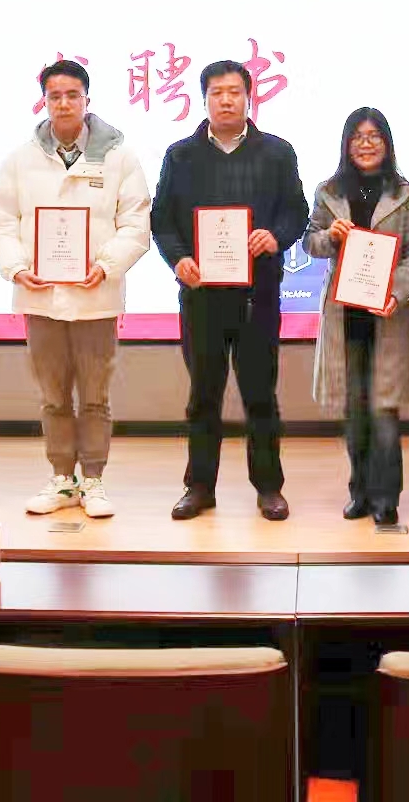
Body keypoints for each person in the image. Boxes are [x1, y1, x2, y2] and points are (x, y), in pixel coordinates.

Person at [0, 60, 153, 519]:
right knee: (54, 397)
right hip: (40, 297)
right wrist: (16, 268)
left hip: (96, 297)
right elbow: (1, 222)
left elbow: (136, 222)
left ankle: (93, 480)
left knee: (95, 397)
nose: (63, 104)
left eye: (72, 95)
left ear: (87, 100)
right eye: (55, 96)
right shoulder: (20, 159)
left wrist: (107, 265)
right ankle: (62, 479)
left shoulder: (120, 156)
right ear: (44, 102)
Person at [152, 59, 308, 521]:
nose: (225, 100)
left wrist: (276, 237)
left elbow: (296, 211)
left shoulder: (277, 153)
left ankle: (269, 488)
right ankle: (199, 487)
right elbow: (162, 219)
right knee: (203, 395)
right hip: (201, 295)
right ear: (204, 100)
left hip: (257, 294)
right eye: (216, 92)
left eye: (234, 92)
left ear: (248, 97)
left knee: (261, 395)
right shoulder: (181, 155)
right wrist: (178, 258)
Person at [303, 108, 409, 527]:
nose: (366, 143)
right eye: (358, 136)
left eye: (374, 136)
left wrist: (397, 294)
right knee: (354, 414)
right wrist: (329, 237)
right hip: (345, 317)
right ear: (346, 144)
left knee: (384, 413)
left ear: (387, 143)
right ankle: (360, 491)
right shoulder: (328, 191)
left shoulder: (407, 193)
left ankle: (387, 499)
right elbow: (309, 243)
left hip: (388, 316)